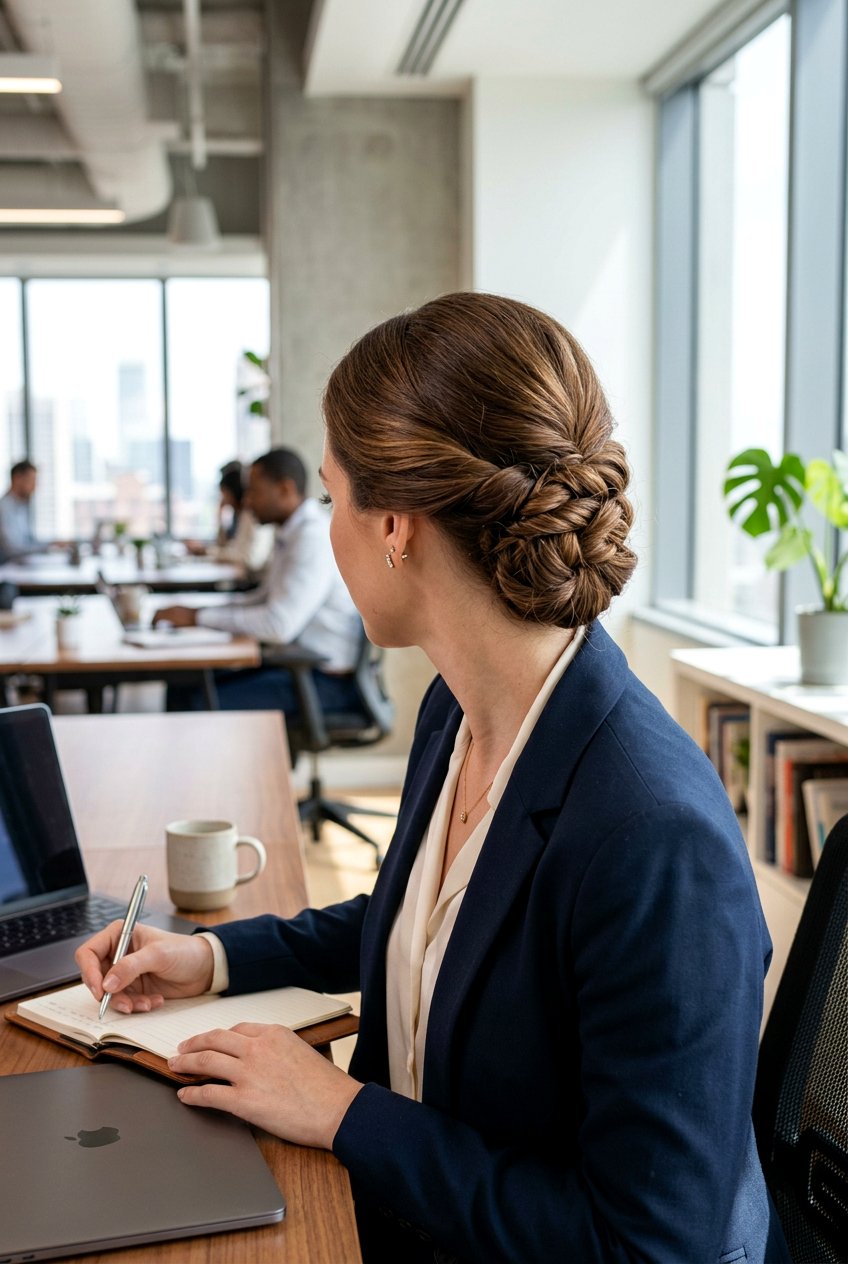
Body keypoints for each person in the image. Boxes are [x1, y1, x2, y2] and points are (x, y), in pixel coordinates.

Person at [77, 293, 791, 1264]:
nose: (327, 527)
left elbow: (650, 1245)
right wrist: (209, 957)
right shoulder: (457, 710)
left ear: (395, 527)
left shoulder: (653, 839)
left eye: (332, 498)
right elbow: (416, 921)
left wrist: (344, 1113)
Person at [156, 446, 363, 719]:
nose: (248, 501)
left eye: (254, 491)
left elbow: (278, 625)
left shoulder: (311, 537)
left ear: (285, 489)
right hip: (296, 667)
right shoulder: (292, 531)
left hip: (322, 681)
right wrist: (198, 612)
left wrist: (197, 617)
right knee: (184, 683)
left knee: (194, 702)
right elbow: (263, 597)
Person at [185, 461, 273, 574]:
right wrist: (219, 517)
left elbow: (249, 559)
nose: (222, 498)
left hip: (250, 579)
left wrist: (208, 551)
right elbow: (224, 545)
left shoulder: (253, 515)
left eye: (224, 493)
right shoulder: (238, 516)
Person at [0, 460, 39, 563]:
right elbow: (13, 549)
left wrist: (52, 544)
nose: (35, 486)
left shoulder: (21, 506)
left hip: (18, 564)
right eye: (32, 480)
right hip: (7, 566)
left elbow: (29, 541)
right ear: (17, 478)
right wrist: (48, 548)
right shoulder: (4, 508)